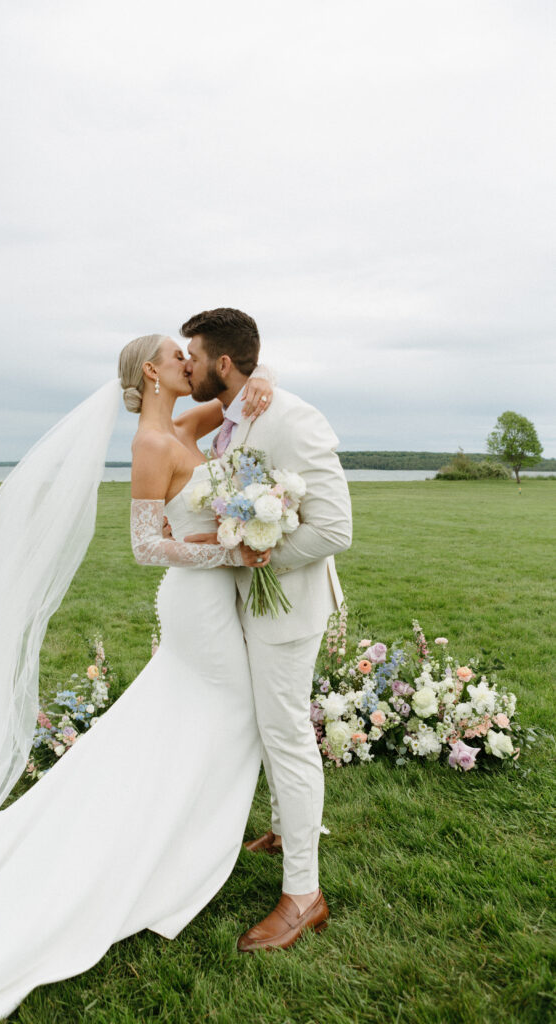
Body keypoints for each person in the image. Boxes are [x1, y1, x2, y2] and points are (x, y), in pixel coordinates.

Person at [0, 333, 284, 1023]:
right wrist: (229, 548)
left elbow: (236, 388)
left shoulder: (184, 424)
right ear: (152, 371)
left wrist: (262, 375)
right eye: (177, 354)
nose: (191, 360)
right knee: (228, 717)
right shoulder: (151, 445)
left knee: (187, 724)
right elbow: (145, 546)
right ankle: (170, 851)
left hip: (214, 603)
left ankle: (176, 838)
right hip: (195, 603)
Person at [178, 308, 352, 952]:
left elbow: (335, 529)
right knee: (269, 724)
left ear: (223, 363)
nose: (187, 366)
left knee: (286, 736)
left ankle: (304, 895)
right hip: (249, 602)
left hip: (287, 604)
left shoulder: (292, 416)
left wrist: (258, 551)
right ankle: (282, 825)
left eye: (192, 357)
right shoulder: (235, 413)